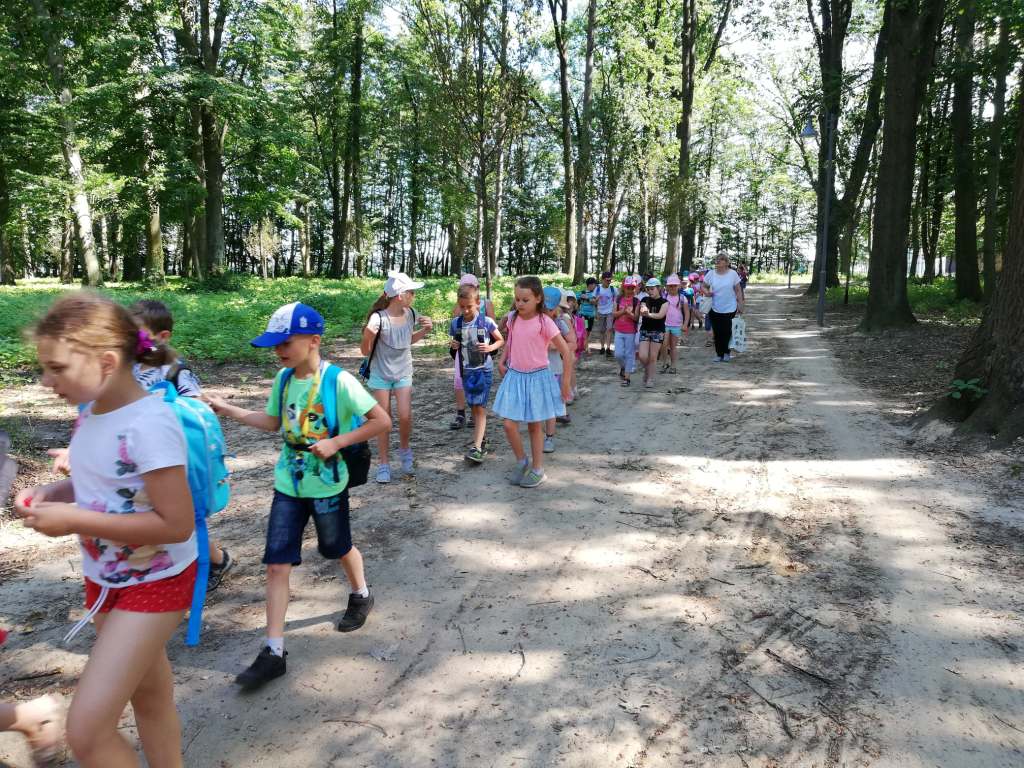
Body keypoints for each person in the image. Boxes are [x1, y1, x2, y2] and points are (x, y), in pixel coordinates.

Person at [15, 293, 198, 767]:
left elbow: (176, 525)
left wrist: (73, 519)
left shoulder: (151, 422)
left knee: (87, 731)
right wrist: (62, 493)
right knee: (151, 696)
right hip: (106, 579)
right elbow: (114, 482)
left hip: (154, 584)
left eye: (56, 368)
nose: (45, 381)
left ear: (107, 361)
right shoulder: (94, 413)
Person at [205, 302, 391, 690]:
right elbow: (272, 422)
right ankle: (274, 652)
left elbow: (381, 420)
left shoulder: (338, 381)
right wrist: (230, 410)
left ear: (313, 341)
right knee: (277, 563)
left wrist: (337, 441)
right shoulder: (284, 380)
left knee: (337, 546)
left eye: (285, 343)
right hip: (287, 484)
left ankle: (361, 592)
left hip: (327, 483)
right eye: (275, 345)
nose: (279, 352)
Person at [130, 300, 233, 590]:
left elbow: (195, 404)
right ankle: (168, 568)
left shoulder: (174, 369)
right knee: (150, 515)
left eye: (137, 334)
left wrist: (165, 404)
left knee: (179, 518)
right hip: (137, 457)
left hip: (172, 456)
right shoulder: (125, 369)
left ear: (162, 337)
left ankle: (215, 559)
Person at [493, 276, 574, 489]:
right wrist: (502, 359)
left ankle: (538, 469)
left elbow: (566, 351)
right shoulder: (513, 318)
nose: (519, 303)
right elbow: (511, 341)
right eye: (517, 299)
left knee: (534, 426)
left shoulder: (544, 322)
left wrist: (565, 382)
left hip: (538, 378)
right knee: (509, 423)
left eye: (525, 300)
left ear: (538, 299)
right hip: (515, 376)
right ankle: (522, 461)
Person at [361, 271, 433, 483]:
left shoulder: (410, 313)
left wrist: (425, 331)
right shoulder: (378, 318)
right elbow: (365, 351)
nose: (413, 295)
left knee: (405, 416)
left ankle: (404, 450)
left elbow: (406, 340)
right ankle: (383, 463)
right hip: (381, 374)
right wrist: (368, 334)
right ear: (400, 295)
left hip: (403, 372)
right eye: (411, 292)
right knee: (384, 420)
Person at [449, 283, 504, 464]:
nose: (465, 311)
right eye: (462, 306)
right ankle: (483, 440)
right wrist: (454, 346)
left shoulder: (485, 322)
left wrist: (489, 347)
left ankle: (477, 447)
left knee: (479, 407)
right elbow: (454, 347)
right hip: (466, 371)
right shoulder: (456, 324)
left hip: (483, 370)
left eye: (469, 307)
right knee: (473, 406)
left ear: (478, 303)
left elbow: (500, 340)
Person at [449, 274, 496, 430]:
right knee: (460, 381)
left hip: (480, 355)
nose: (465, 309)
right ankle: (462, 412)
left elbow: (493, 329)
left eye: (471, 285)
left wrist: (488, 345)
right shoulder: (459, 308)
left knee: (479, 390)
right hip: (463, 354)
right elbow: (455, 323)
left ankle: (476, 418)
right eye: (463, 286)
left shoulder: (486, 305)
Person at [542, 287, 574, 445]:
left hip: (553, 368)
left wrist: (553, 346)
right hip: (534, 370)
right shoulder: (532, 320)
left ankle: (549, 437)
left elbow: (572, 343)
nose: (548, 311)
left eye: (550, 308)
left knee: (550, 404)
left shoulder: (560, 322)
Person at [702, 253, 744, 362]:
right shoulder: (711, 274)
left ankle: (726, 353)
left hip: (730, 307)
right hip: (714, 307)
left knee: (727, 331)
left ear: (726, 262)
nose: (717, 261)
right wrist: (707, 292)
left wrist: (740, 304)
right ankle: (718, 354)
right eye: (716, 259)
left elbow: (738, 290)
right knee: (717, 331)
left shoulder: (733, 274)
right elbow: (703, 286)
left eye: (720, 260)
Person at [637, 277, 668, 388]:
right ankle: (647, 370)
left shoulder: (664, 302)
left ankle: (650, 378)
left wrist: (648, 314)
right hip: (645, 330)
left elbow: (660, 315)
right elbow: (643, 307)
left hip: (658, 331)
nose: (650, 291)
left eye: (652, 289)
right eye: (648, 289)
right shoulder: (645, 299)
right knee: (642, 356)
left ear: (658, 288)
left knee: (653, 357)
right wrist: (643, 310)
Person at [613, 276, 640, 387]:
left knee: (629, 354)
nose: (630, 290)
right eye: (628, 287)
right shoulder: (618, 299)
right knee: (618, 354)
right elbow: (614, 313)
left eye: (632, 288)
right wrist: (623, 311)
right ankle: (623, 367)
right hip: (619, 330)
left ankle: (627, 378)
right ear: (623, 287)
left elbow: (636, 318)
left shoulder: (636, 301)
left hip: (630, 332)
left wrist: (629, 313)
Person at [660, 274, 689, 374]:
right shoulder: (664, 297)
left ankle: (673, 365)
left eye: (674, 285)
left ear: (679, 286)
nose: (672, 288)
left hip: (676, 325)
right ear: (667, 287)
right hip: (665, 324)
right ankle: (665, 362)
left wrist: (685, 324)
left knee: (673, 346)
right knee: (663, 345)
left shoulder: (682, 298)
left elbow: (687, 312)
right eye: (670, 286)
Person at [591, 271, 617, 357]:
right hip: (600, 312)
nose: (609, 282)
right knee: (602, 331)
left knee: (609, 329)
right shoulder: (597, 289)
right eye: (607, 280)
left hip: (610, 312)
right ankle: (602, 347)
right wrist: (596, 300)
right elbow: (593, 301)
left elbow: (619, 298)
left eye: (610, 280)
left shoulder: (613, 289)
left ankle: (608, 348)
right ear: (602, 280)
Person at [576, 277, 597, 355]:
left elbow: (595, 302)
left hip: (591, 317)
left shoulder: (594, 294)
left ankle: (584, 346)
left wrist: (587, 298)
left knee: (588, 332)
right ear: (590, 285)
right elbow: (575, 296)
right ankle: (586, 347)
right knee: (584, 332)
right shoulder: (583, 292)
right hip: (584, 317)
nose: (595, 286)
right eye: (594, 284)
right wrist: (581, 296)